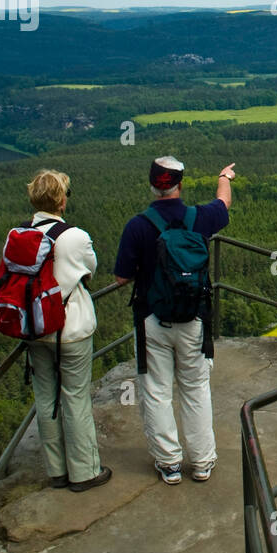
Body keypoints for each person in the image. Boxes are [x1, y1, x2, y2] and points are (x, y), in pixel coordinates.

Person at [114, 155, 234, 484]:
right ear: (180, 185)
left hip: (152, 320)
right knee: (196, 389)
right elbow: (223, 203)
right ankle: (203, 462)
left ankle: (169, 464)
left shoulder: (138, 225)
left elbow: (122, 277)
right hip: (194, 319)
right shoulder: (200, 218)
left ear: (152, 185)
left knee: (156, 391)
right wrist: (224, 176)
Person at [24, 169, 111, 492]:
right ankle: (84, 472)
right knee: (75, 398)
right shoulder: (74, 236)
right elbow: (90, 269)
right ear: (61, 200)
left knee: (45, 398)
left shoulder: (17, 234)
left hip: (34, 329)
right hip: (71, 329)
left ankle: (56, 471)